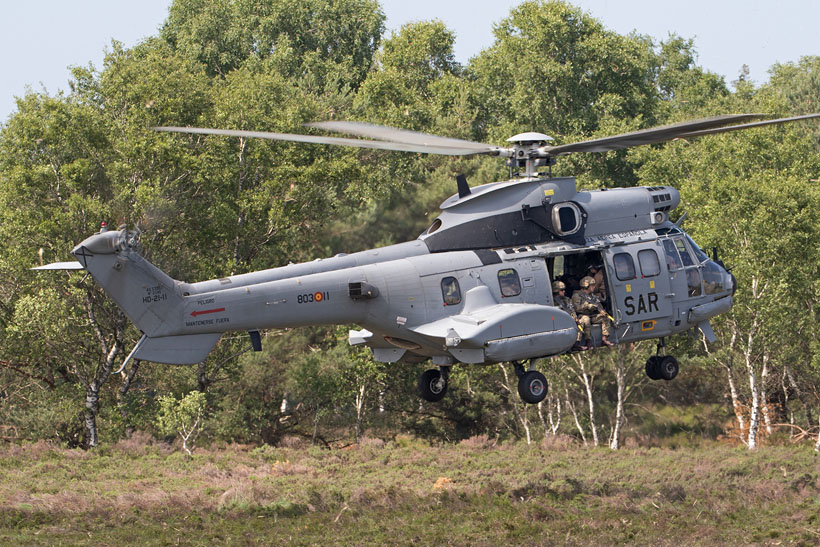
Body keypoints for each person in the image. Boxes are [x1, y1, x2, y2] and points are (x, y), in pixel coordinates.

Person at [571, 276, 615, 348]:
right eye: (592, 285)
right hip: (581, 316)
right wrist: (587, 306)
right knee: (586, 319)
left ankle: (604, 339)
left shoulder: (593, 296)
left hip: (592, 316)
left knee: (605, 317)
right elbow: (576, 309)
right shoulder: (577, 295)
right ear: (586, 286)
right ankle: (584, 342)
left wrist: (602, 311)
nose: (594, 287)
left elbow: (599, 306)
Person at [552, 280, 586, 350]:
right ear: (556, 291)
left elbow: (572, 310)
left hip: (569, 319)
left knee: (580, 322)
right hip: (559, 321)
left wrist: (575, 318)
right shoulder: (552, 301)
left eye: (564, 290)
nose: (564, 291)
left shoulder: (567, 300)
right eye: (562, 290)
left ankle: (576, 343)